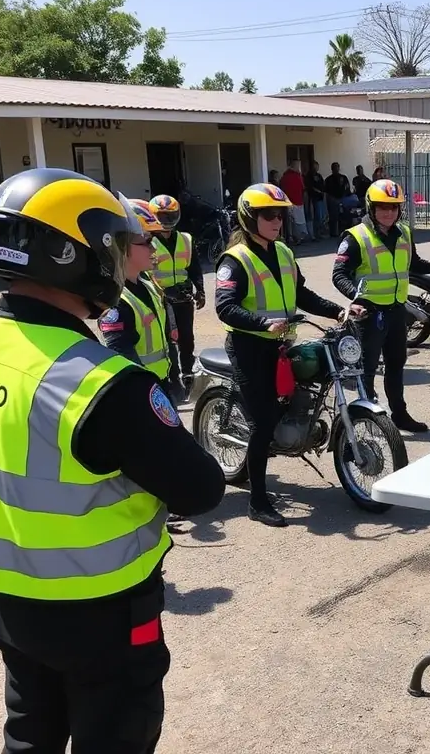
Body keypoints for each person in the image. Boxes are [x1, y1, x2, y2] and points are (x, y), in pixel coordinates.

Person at [0, 167, 226, 753]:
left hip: (2, 594)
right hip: (100, 608)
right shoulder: (99, 381)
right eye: (112, 245)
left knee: (29, 731)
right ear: (71, 254)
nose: (119, 259)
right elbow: (201, 489)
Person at [215, 183, 356, 528]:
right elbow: (225, 307)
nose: (277, 221)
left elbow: (301, 294)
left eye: (280, 215)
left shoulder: (283, 252)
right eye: (269, 215)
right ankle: (258, 502)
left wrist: (336, 310)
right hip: (249, 347)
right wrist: (263, 322)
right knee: (262, 424)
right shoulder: (235, 260)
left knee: (295, 395)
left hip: (279, 345)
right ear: (250, 217)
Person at [332, 179, 430, 434]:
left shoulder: (404, 232)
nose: (389, 212)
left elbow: (412, 263)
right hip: (369, 314)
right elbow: (339, 275)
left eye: (394, 207)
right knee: (367, 369)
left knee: (396, 364)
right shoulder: (355, 237)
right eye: (383, 207)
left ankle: (400, 415)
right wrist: (356, 297)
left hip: (396, 311)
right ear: (371, 207)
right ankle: (367, 419)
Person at [98, 198, 182, 401]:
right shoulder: (116, 301)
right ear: (121, 245)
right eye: (146, 241)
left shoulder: (148, 284)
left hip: (161, 384)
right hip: (141, 394)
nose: (154, 249)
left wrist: (174, 376)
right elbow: (121, 354)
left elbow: (166, 339)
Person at [148, 194, 205, 392]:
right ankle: (172, 378)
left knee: (186, 339)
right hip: (160, 298)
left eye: (170, 216)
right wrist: (161, 291)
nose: (167, 221)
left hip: (183, 297)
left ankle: (188, 374)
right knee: (167, 340)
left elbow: (195, 267)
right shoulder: (147, 241)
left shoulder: (186, 239)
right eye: (162, 216)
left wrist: (201, 290)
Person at [324, 162, 352, 238]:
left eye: (337, 167)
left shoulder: (343, 177)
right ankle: (333, 232)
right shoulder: (328, 179)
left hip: (343, 198)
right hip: (333, 199)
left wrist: (345, 196)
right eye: (334, 167)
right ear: (332, 169)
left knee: (345, 215)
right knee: (333, 216)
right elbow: (326, 191)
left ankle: (344, 231)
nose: (336, 169)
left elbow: (347, 188)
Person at [306, 161, 327, 239]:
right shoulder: (309, 176)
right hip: (313, 198)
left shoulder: (319, 175)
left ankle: (320, 232)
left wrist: (323, 192)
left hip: (320, 198)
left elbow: (323, 184)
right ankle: (315, 234)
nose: (316, 168)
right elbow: (310, 187)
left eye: (317, 166)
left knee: (321, 216)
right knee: (316, 216)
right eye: (314, 166)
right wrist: (318, 191)